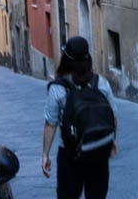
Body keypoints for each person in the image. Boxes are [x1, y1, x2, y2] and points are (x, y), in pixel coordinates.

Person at [42, 36, 118, 199]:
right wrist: (111, 142)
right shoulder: (101, 83)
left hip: (70, 155)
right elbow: (112, 116)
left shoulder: (57, 89)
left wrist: (45, 154)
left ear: (65, 60)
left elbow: (50, 123)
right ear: (88, 59)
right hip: (97, 150)